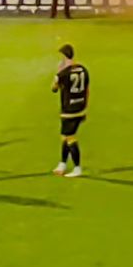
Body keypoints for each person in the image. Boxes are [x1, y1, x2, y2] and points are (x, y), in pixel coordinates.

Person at [52, 43, 89, 178]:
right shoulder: (83, 69)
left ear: (64, 56)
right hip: (80, 108)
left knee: (70, 137)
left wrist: (58, 73)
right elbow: (87, 90)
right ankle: (62, 164)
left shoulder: (63, 73)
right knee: (65, 136)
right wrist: (85, 107)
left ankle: (77, 168)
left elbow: (54, 89)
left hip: (68, 110)